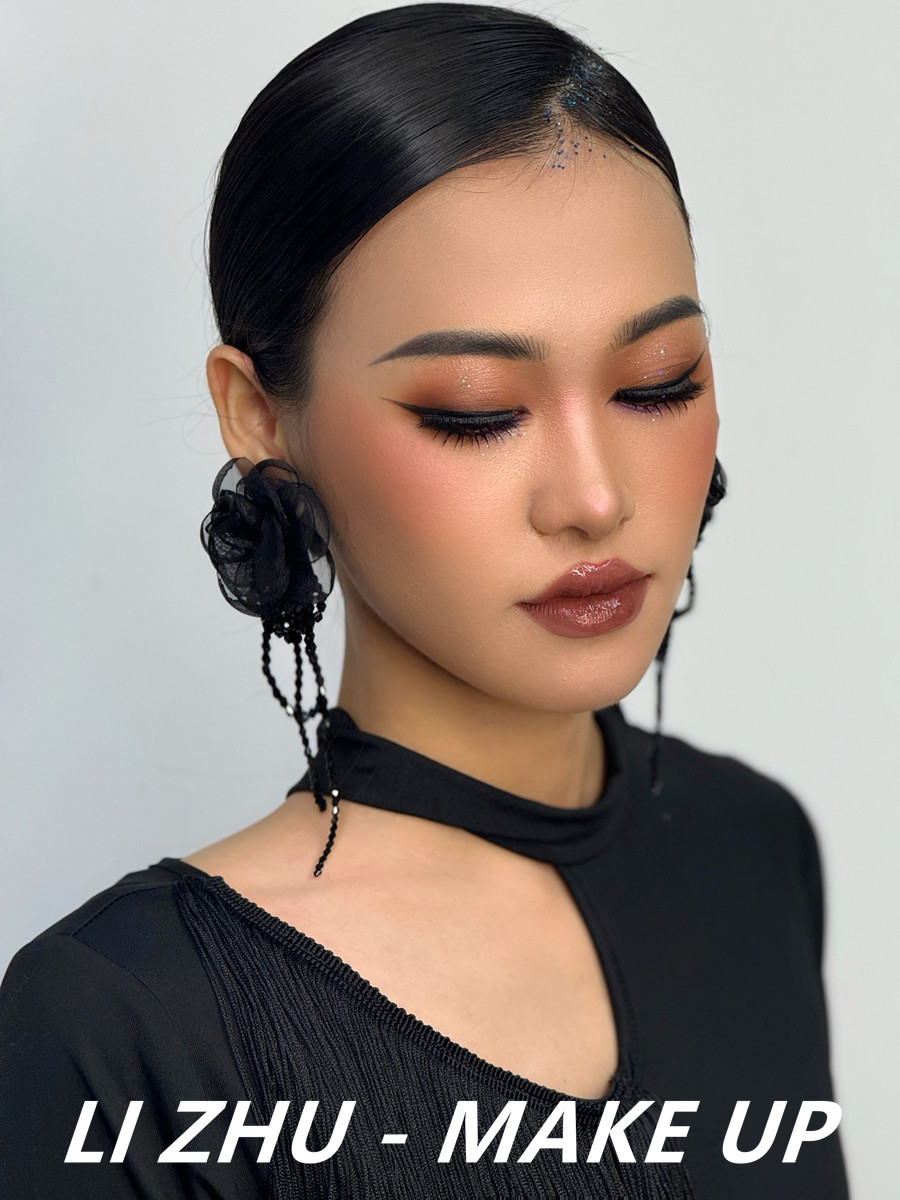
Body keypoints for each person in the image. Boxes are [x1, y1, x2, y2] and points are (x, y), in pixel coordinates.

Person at [0, 5, 849, 1197]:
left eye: (658, 384)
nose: (595, 499)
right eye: (474, 411)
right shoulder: (127, 1022)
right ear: (258, 414)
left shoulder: (754, 851)